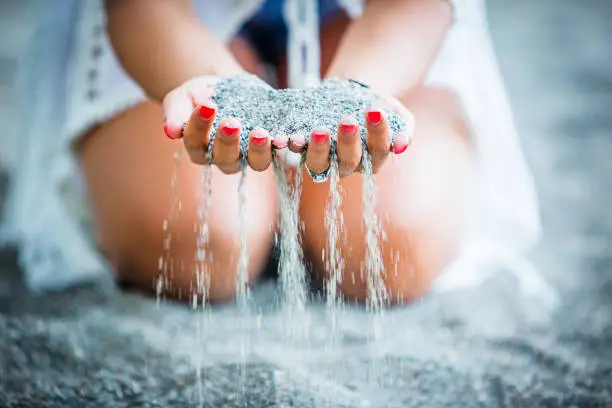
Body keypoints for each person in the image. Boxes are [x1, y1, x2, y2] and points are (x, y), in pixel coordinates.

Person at [0, 0, 543, 304]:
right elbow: (143, 9)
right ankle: (270, 182)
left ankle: (293, 187)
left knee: (393, 254)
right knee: (195, 249)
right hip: (180, 21)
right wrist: (217, 83)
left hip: (366, 17)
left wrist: (355, 90)